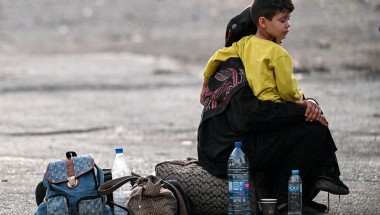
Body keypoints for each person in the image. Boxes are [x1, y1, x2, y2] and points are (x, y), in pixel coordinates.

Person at [197, 1, 349, 214]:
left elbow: (281, 101)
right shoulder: (237, 65)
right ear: (260, 26)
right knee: (311, 130)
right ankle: (283, 200)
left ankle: (298, 195)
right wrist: (305, 110)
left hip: (228, 144)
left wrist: (309, 104)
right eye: (282, 20)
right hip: (225, 154)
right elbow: (251, 116)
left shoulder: (237, 55)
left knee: (306, 120)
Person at [201, 0, 304, 106]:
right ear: (263, 22)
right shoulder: (279, 54)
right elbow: (288, 93)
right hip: (274, 106)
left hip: (252, 105)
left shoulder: (243, 44)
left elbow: (216, 58)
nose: (288, 25)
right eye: (283, 20)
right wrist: (302, 99)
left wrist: (205, 85)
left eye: (288, 19)